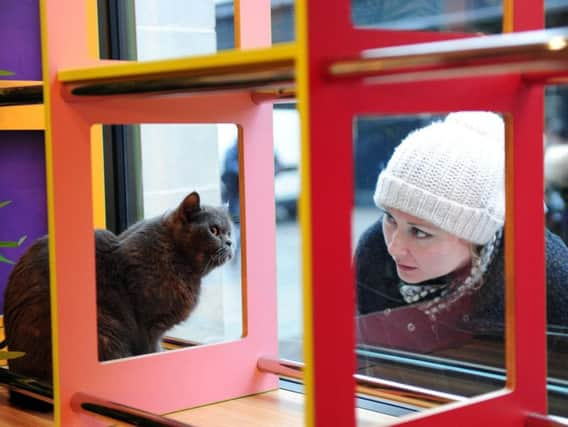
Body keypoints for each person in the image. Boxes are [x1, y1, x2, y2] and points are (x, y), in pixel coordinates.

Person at [355, 112, 568, 352]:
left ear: (476, 233)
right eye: (390, 218)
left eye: (419, 232)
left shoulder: (546, 273)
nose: (394, 246)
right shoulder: (374, 254)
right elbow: (372, 362)